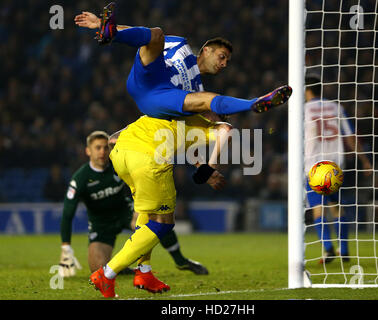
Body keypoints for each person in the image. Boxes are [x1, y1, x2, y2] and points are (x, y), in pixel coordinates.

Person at [89, 112, 233, 297]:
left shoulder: (161, 110)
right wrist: (211, 167)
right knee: (162, 223)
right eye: (223, 114)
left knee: (149, 215)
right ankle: (107, 274)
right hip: (149, 160)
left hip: (120, 156)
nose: (224, 119)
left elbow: (112, 139)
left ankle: (144, 272)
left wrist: (200, 166)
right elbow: (226, 131)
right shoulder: (205, 124)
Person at [74, 3, 292, 121]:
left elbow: (208, 120)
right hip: (152, 74)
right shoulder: (180, 44)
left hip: (161, 99)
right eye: (222, 57)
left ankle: (254, 104)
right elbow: (146, 39)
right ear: (206, 50)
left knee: (208, 98)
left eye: (227, 62)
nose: (224, 64)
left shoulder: (197, 88)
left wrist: (217, 121)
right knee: (157, 34)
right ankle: (109, 34)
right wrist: (104, 26)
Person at [59, 131, 209, 279]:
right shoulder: (81, 178)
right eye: (97, 148)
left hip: (125, 211)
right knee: (98, 269)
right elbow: (67, 213)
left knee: (157, 218)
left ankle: (180, 261)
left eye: (105, 147)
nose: (102, 152)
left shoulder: (118, 164)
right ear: (88, 151)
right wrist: (66, 247)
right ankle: (125, 269)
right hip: (101, 223)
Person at [304, 75, 372, 264]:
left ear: (306, 90)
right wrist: (364, 160)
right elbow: (351, 137)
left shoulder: (303, 110)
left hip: (314, 165)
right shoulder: (337, 107)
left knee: (319, 209)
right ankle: (344, 250)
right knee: (337, 208)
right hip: (335, 165)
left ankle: (328, 250)